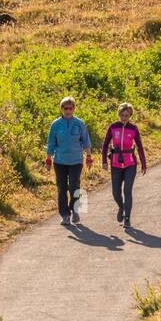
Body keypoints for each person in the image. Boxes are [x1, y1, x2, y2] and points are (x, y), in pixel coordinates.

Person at [46, 96, 92, 226]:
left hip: (76, 161)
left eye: (70, 108)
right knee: (61, 188)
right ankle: (65, 215)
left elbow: (86, 141)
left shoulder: (79, 123)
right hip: (59, 161)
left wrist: (88, 157)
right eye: (65, 108)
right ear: (61, 109)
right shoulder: (55, 124)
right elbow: (51, 142)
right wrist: (48, 158)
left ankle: (75, 210)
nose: (68, 110)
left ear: (74, 109)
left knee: (74, 187)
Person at [102, 103, 146, 229]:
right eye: (122, 115)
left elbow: (140, 146)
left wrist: (143, 163)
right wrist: (104, 161)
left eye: (127, 115)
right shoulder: (112, 127)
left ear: (130, 115)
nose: (124, 117)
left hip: (130, 163)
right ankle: (121, 207)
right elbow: (105, 145)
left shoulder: (133, 128)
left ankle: (127, 218)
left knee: (127, 191)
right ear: (119, 114)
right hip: (115, 163)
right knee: (116, 192)